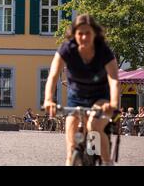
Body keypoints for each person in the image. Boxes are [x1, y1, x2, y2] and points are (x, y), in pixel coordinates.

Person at [43, 14, 119, 166]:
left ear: (95, 34)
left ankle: (106, 161)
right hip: (76, 97)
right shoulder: (67, 49)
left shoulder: (103, 51)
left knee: (94, 126)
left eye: (88, 33)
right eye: (80, 33)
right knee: (71, 143)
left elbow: (114, 79)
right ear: (74, 34)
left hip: (100, 98)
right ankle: (72, 159)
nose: (84, 37)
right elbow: (52, 75)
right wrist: (48, 100)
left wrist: (113, 103)